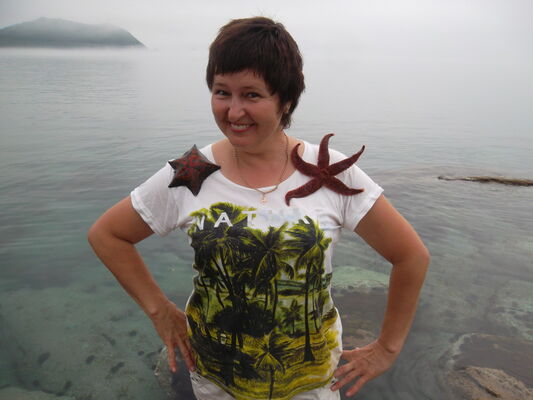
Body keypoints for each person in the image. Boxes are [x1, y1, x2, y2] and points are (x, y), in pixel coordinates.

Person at [88, 16, 429, 400]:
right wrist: (160, 311)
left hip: (312, 386)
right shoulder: (192, 171)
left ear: (286, 100)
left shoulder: (331, 171)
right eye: (222, 92)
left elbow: (411, 256)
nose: (234, 112)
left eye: (252, 95)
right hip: (215, 383)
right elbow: (108, 235)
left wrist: (387, 348)